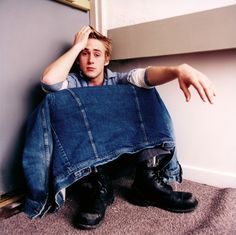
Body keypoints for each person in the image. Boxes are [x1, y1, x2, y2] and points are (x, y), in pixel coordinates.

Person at [40, 25, 216, 229]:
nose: (90, 60)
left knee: (143, 90)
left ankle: (146, 182)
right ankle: (97, 189)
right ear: (78, 58)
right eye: (84, 54)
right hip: (91, 166)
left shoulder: (118, 80)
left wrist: (179, 69)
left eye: (97, 54)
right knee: (58, 99)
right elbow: (49, 82)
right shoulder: (72, 82)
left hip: (123, 158)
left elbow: (145, 76)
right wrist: (77, 46)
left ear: (106, 60)